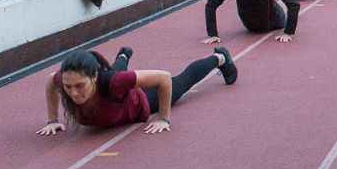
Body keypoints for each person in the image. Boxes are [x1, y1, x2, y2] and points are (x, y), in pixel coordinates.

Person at [38, 44, 236, 136]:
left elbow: (164, 78)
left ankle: (220, 58)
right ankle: (123, 55)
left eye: (80, 86)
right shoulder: (62, 80)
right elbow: (49, 81)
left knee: (183, 81)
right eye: (68, 86)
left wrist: (163, 118)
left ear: (94, 77)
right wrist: (52, 120)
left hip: (144, 99)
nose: (73, 93)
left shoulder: (112, 82)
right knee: (116, 72)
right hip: (112, 84)